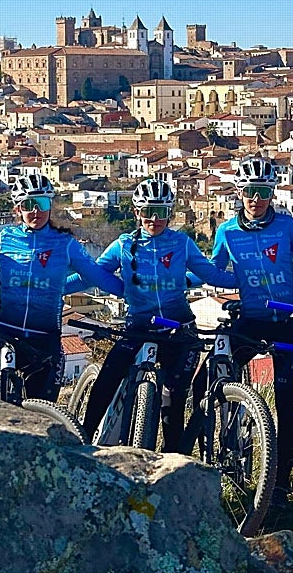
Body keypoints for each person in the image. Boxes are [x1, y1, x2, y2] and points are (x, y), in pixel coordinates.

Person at [72, 175, 238, 449]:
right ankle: (83, 441)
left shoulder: (182, 243)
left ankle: (170, 461)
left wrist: (251, 282)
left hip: (179, 327)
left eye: (161, 212)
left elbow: (210, 274)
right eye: (148, 212)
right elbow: (92, 276)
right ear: (137, 212)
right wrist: (57, 288)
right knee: (106, 381)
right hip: (139, 326)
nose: (154, 219)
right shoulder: (124, 245)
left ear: (170, 214)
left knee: (173, 399)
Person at [0, 174, 122, 402]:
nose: (36, 211)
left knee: (44, 413)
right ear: (18, 209)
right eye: (28, 205)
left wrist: (138, 294)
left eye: (42, 204)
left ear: (51, 206)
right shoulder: (4, 239)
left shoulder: (65, 244)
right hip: (3, 331)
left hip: (44, 338)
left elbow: (97, 277)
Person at [211, 156, 293, 509]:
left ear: (272, 193)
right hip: (250, 318)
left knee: (286, 402)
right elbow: (217, 272)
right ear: (239, 193)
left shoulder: (286, 227)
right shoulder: (227, 231)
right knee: (214, 380)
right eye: (249, 191)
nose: (255, 198)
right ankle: (225, 454)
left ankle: (281, 486)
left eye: (263, 191)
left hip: (286, 321)